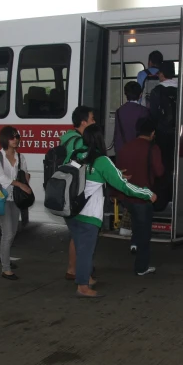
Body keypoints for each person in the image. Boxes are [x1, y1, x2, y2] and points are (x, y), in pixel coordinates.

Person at [66, 124, 156, 298]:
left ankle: (86, 277)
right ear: (100, 139)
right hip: (88, 214)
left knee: (80, 246)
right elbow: (124, 187)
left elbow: (89, 175)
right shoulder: (101, 160)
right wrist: (147, 193)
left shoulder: (75, 155)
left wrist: (115, 174)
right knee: (86, 250)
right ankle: (82, 287)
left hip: (72, 210)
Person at [116, 117, 164, 276]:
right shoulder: (153, 148)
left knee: (136, 221)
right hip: (143, 197)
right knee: (144, 233)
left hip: (127, 195)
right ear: (153, 133)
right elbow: (159, 171)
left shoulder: (125, 147)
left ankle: (134, 243)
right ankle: (141, 267)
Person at [0, 126, 32, 281]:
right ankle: (5, 269)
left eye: (17, 137)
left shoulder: (21, 157)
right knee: (8, 233)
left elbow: (25, 174)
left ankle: (3, 257)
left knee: (12, 232)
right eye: (12, 137)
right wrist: (20, 184)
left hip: (16, 199)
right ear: (5, 139)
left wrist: (25, 179)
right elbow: (0, 177)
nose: (15, 140)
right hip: (2, 198)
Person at [61, 106, 96, 283]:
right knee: (82, 234)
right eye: (92, 119)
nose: (94, 122)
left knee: (76, 234)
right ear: (83, 122)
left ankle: (72, 269)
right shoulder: (80, 143)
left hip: (67, 189)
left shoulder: (67, 137)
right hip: (76, 190)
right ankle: (84, 277)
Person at [148, 66, 178, 208]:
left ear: (162, 73)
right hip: (180, 134)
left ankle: (162, 200)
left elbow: (153, 115)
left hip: (162, 134)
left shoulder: (157, 91)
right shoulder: (182, 89)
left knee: (163, 166)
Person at [113, 81, 150, 153]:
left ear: (125, 94)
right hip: (138, 151)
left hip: (122, 150)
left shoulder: (119, 111)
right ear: (140, 95)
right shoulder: (144, 111)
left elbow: (117, 135)